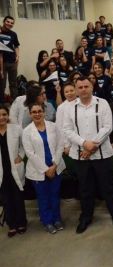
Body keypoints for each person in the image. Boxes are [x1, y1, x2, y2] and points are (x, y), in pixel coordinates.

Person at [62, 76, 113, 234]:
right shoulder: (70, 108)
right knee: (85, 188)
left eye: (86, 86)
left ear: (92, 87)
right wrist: (84, 143)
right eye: (80, 87)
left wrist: (92, 146)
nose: (83, 89)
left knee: (108, 187)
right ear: (76, 90)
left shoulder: (102, 103)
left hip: (102, 155)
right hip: (80, 155)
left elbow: (107, 127)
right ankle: (86, 217)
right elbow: (67, 130)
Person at [22, 103, 66, 234]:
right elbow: (30, 153)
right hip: (38, 170)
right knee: (43, 197)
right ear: (30, 114)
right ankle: (47, 221)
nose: (37, 114)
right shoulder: (26, 131)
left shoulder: (53, 127)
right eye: (34, 112)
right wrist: (46, 169)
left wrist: (54, 165)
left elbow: (60, 145)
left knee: (55, 195)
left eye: (39, 111)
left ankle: (57, 219)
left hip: (55, 167)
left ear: (44, 112)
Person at [0, 104, 26, 237]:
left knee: (17, 197)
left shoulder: (16, 129)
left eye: (4, 114)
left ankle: (21, 222)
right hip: (1, 172)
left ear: (8, 115)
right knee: (6, 198)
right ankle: (12, 224)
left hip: (14, 168)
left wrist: (21, 156)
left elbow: (24, 145)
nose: (1, 117)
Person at [0, 16, 20, 103]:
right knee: (2, 84)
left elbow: (16, 46)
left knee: (13, 83)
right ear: (4, 22)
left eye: (12, 23)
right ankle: (2, 103)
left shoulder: (13, 34)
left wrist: (17, 56)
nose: (10, 24)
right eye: (8, 22)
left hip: (12, 62)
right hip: (2, 62)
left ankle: (14, 102)